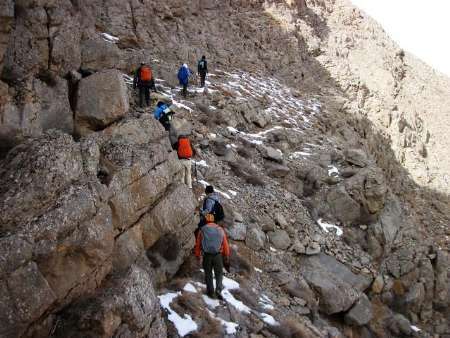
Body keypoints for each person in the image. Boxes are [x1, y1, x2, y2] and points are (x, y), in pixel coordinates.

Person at [195, 213, 230, 299]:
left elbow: (198, 244)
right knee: (219, 274)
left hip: (207, 256)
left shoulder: (202, 230)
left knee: (208, 274)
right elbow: (225, 244)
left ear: (206, 220)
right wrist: (226, 255)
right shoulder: (220, 230)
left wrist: (197, 255)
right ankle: (218, 290)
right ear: (214, 220)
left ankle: (210, 292)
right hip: (218, 255)